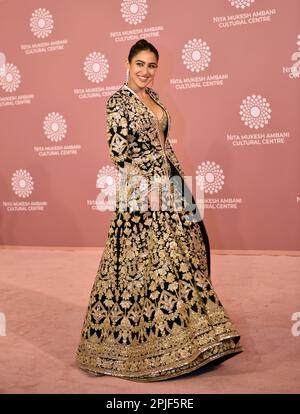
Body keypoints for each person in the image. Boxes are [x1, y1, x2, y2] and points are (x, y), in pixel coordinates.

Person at [75, 39, 243, 382]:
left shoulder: (156, 99)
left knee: (178, 261)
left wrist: (179, 186)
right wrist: (146, 188)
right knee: (144, 268)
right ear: (127, 63)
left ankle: (195, 339)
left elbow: (165, 146)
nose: (145, 71)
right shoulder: (117, 101)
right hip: (141, 196)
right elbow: (119, 153)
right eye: (140, 64)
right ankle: (140, 346)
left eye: (151, 65)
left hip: (168, 187)